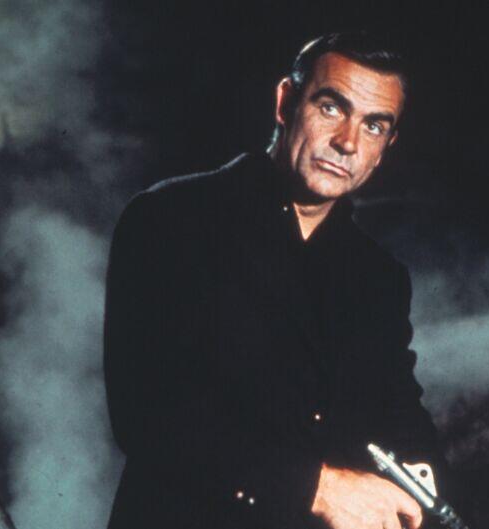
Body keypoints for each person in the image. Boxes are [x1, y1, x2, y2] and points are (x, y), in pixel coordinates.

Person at [103, 32, 446, 529]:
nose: (348, 142)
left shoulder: (379, 278)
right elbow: (147, 415)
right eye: (331, 108)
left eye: (373, 126)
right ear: (286, 102)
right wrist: (318, 489)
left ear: (386, 147)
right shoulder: (170, 218)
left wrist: (427, 491)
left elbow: (399, 415)